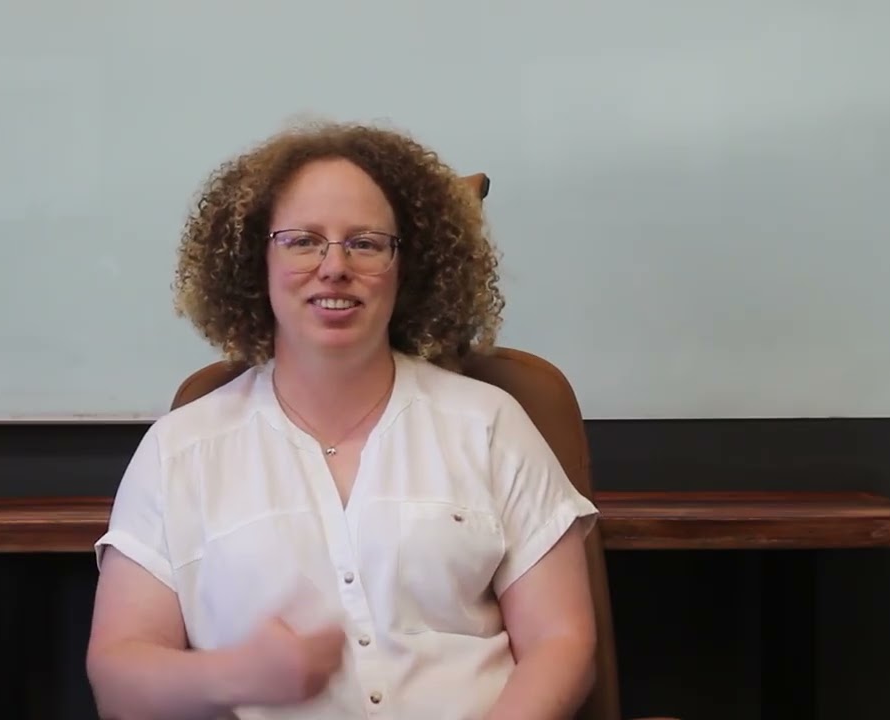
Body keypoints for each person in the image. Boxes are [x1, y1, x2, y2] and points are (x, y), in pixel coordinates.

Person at [85, 120, 601, 720]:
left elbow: (562, 645)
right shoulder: (178, 451)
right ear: (258, 262)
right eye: (303, 241)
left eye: (365, 243)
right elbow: (117, 674)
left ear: (405, 267)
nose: (334, 267)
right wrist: (235, 675)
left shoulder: (489, 424)